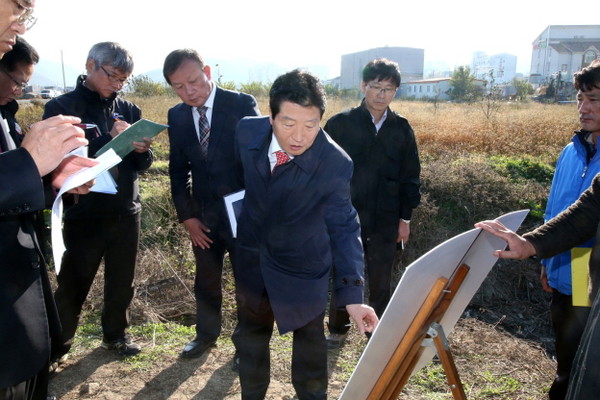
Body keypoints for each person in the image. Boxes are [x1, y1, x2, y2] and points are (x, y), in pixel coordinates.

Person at [233, 69, 379, 400]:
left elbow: (344, 226)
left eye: (311, 125)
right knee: (251, 338)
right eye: (288, 123)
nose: (299, 136)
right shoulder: (245, 132)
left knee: (310, 345)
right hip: (253, 258)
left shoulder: (334, 163)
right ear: (271, 117)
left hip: (303, 262)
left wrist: (353, 295)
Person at [0, 9, 97, 400]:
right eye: (15, 9)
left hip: (19, 295)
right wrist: (29, 163)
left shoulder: (7, 116)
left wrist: (54, 182)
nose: (19, 24)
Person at [43, 42, 154, 359]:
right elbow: (63, 163)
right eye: (112, 75)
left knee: (122, 284)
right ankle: (56, 349)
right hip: (84, 214)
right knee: (72, 286)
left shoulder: (129, 110)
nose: (117, 84)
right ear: (91, 65)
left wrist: (143, 151)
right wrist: (112, 139)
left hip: (125, 212)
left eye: (123, 79)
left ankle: (115, 336)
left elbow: (141, 166)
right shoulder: (62, 110)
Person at [162, 49, 260, 359]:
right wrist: (187, 217)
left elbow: (260, 161)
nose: (188, 91)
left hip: (242, 214)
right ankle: (205, 336)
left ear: (206, 71)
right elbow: (177, 171)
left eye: (193, 81)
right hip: (203, 215)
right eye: (178, 86)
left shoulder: (240, 104)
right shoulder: (176, 116)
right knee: (205, 279)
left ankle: (246, 345)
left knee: (248, 283)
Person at [324, 58, 421, 348]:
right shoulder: (340, 124)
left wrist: (405, 219)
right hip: (346, 217)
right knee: (345, 272)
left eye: (388, 89)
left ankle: (375, 334)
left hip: (386, 218)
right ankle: (337, 329)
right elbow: (323, 171)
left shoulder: (401, 128)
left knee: (380, 277)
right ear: (363, 86)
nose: (381, 94)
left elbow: (411, 176)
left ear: (396, 92)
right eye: (376, 87)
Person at [537, 60, 600, 400]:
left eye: (593, 99)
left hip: (593, 267)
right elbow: (554, 210)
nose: (583, 107)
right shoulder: (571, 151)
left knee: (582, 362)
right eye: (580, 98)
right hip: (567, 262)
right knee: (566, 349)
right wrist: (546, 260)